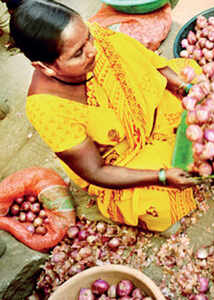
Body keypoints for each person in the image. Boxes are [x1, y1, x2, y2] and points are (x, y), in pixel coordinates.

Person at [10, 0, 201, 232]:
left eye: (88, 37)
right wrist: (160, 176)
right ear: (45, 67)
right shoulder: (47, 109)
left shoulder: (94, 38)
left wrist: (188, 91)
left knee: (193, 77)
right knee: (156, 205)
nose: (93, 50)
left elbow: (150, 63)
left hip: (152, 110)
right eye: (78, 53)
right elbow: (96, 171)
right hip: (122, 160)